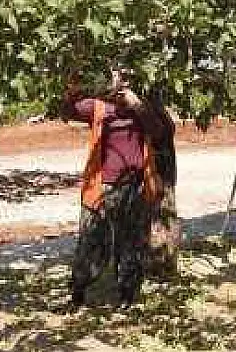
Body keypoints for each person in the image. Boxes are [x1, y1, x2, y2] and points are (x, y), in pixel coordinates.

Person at [61, 70, 165, 309]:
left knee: (132, 243)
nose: (122, 82)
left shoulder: (142, 108)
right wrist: (71, 90)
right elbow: (67, 112)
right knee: (91, 240)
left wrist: (137, 105)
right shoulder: (98, 108)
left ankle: (128, 297)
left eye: (127, 78)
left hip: (136, 187)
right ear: (110, 80)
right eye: (118, 77)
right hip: (101, 189)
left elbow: (159, 132)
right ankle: (78, 294)